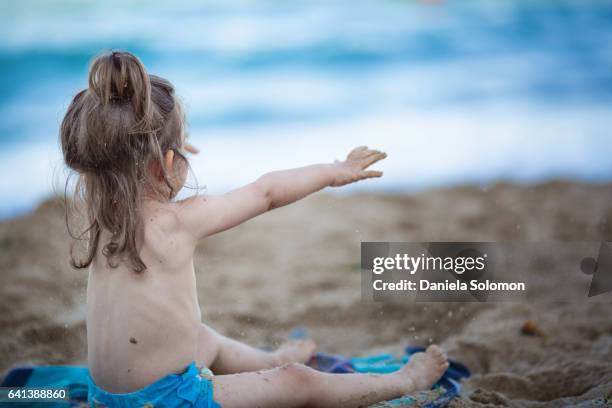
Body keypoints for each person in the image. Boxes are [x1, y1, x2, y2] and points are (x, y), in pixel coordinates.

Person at [60, 50, 449, 408]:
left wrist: (158, 151)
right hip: (165, 400)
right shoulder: (177, 222)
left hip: (104, 397)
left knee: (204, 338)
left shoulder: (101, 216)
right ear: (162, 160)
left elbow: (112, 159)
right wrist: (333, 171)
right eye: (180, 147)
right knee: (297, 382)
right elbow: (266, 193)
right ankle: (406, 380)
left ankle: (270, 358)